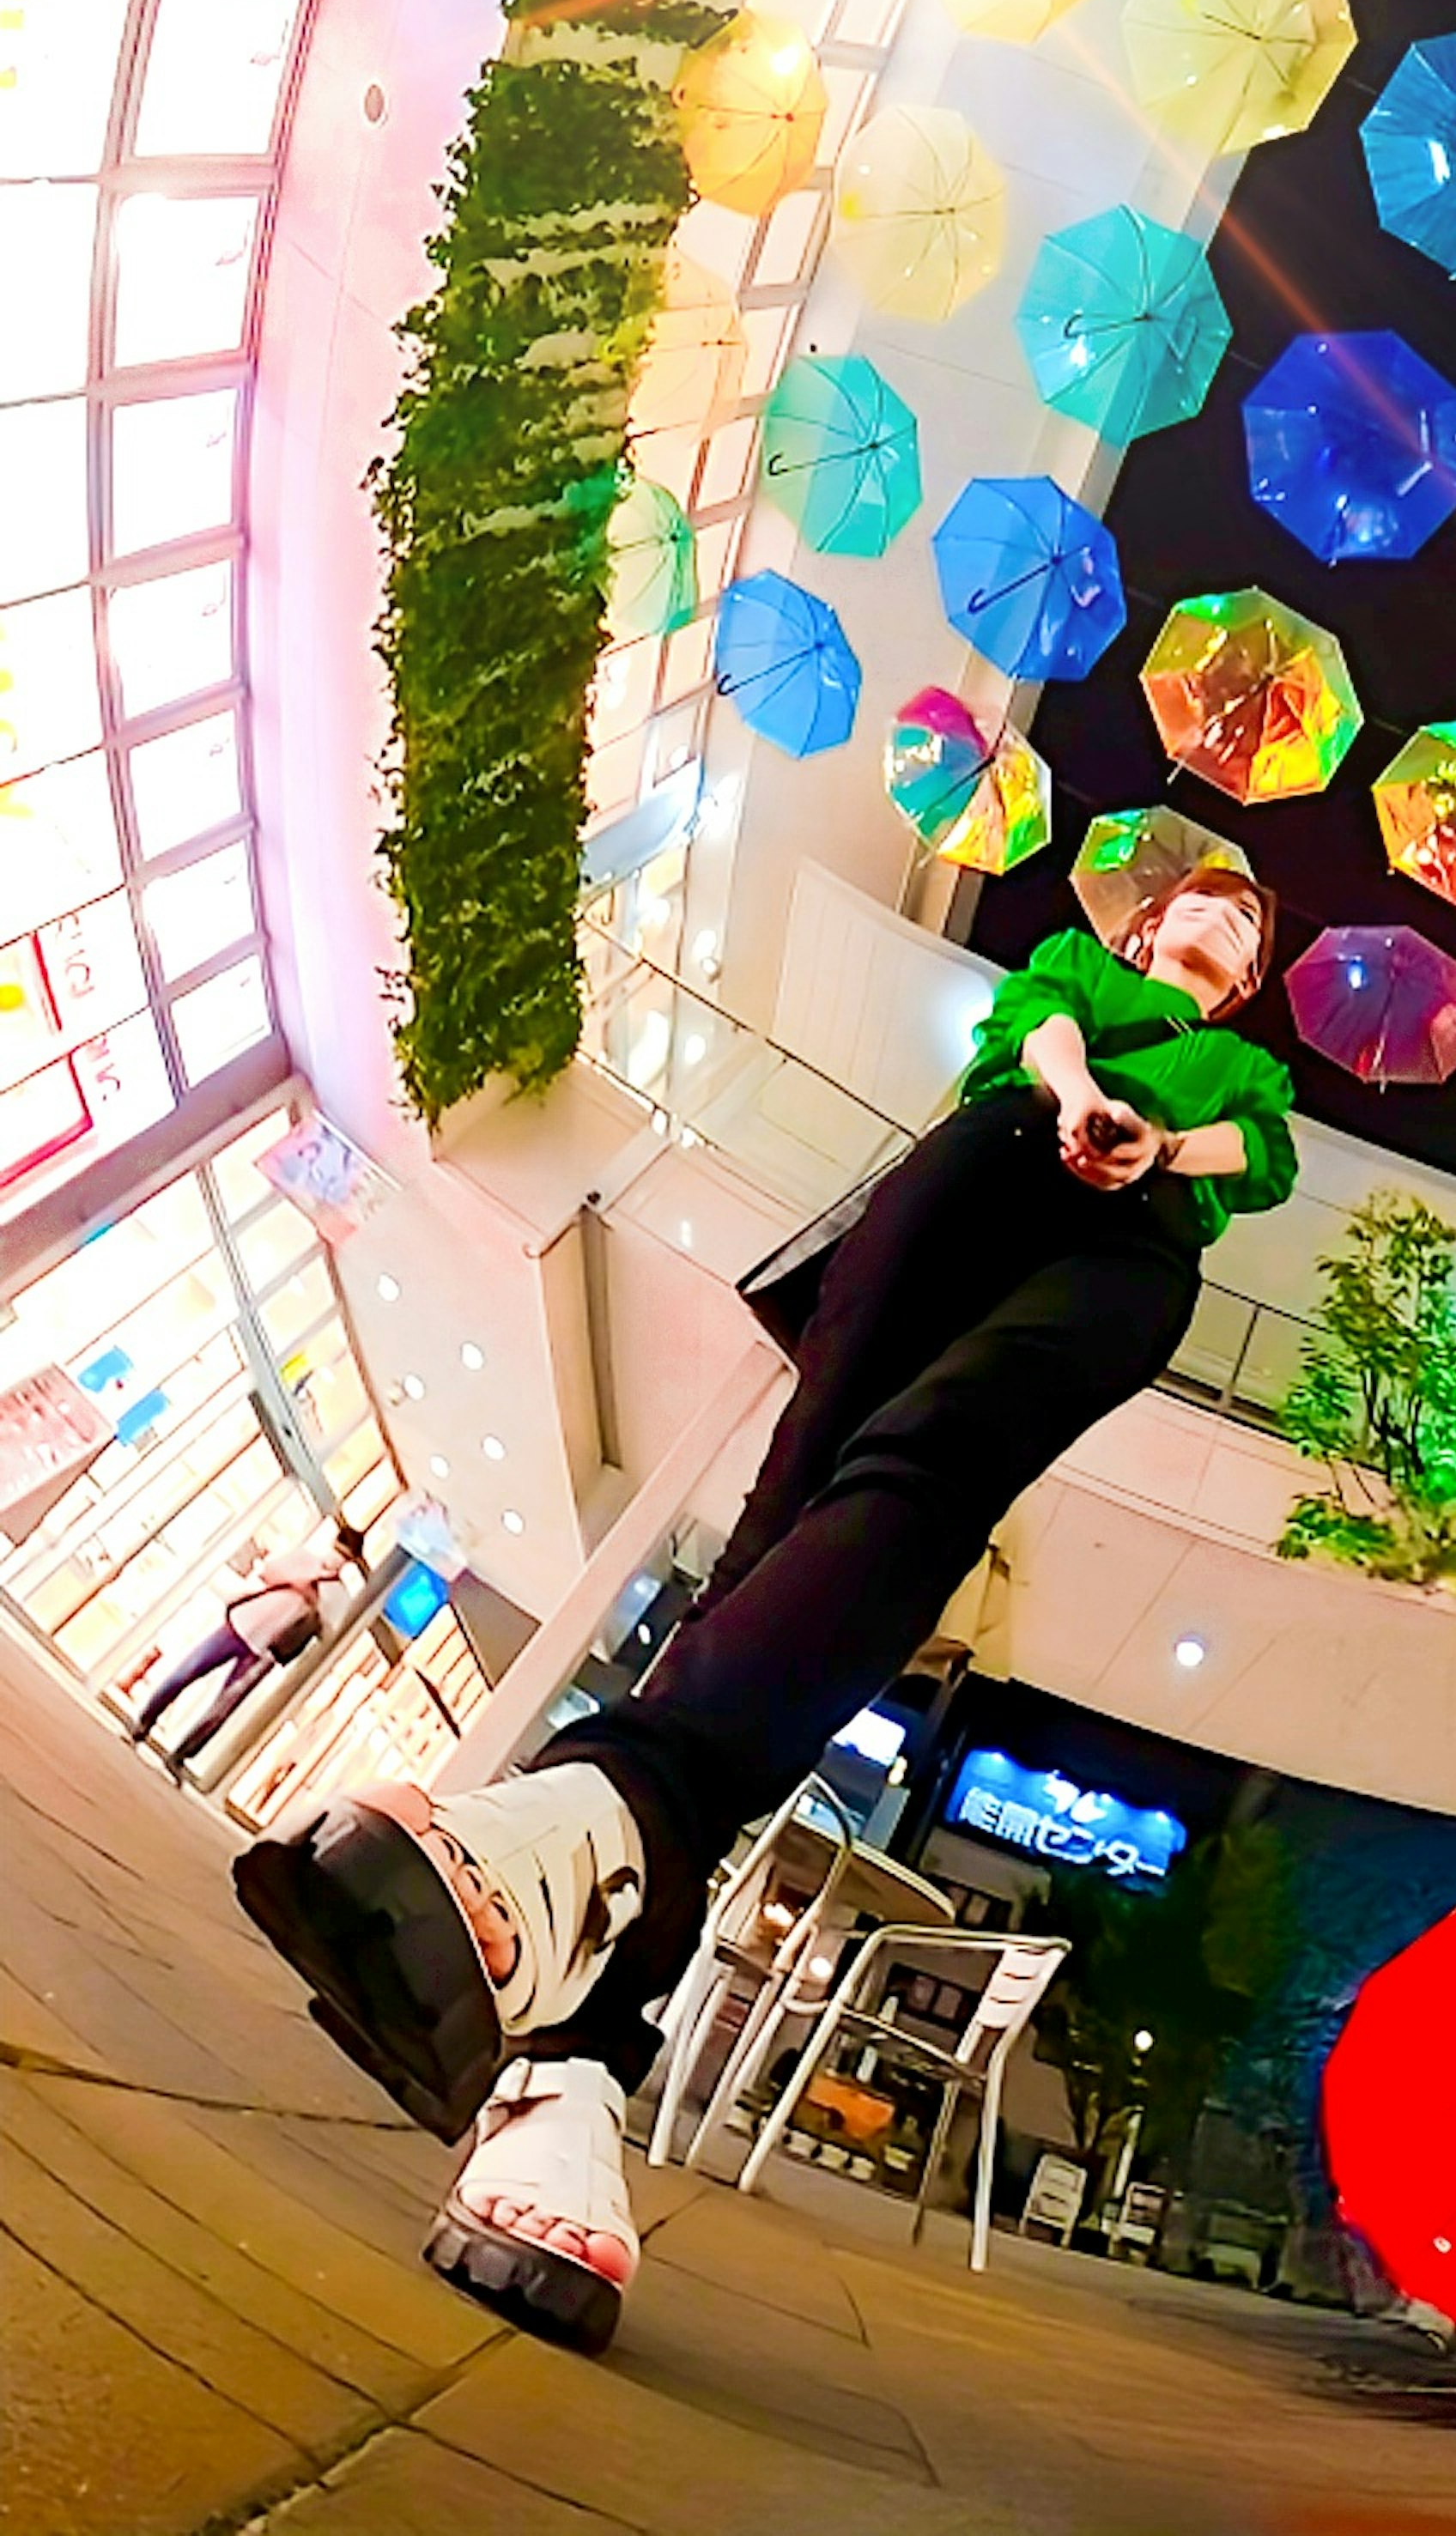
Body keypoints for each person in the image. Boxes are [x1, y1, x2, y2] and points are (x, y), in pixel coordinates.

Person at [232, 871, 1295, 2355]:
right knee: (779, 1535)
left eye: (1245, 931)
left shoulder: (1244, 1069)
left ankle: (563, 1843)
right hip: (985, 1164)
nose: (1221, 927)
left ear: (1242, 983)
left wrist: (1160, 1139)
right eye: (1204, 904)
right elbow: (1036, 1017)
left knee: (926, 1487)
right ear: (1146, 923)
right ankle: (578, 2068)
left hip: (1132, 1255)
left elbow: (1260, 1156)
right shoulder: (1073, 960)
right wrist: (1074, 1101)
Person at [134, 1526, 364, 1769]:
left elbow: (328, 1633)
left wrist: (315, 1609)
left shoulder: (338, 1595)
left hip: (268, 1651)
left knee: (224, 1706)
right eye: (338, 1552)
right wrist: (299, 1582)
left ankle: (182, 1755)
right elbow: (267, 1572)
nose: (337, 1560)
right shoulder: (303, 1559)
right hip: (243, 1623)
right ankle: (145, 1721)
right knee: (188, 1670)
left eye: (345, 1557)